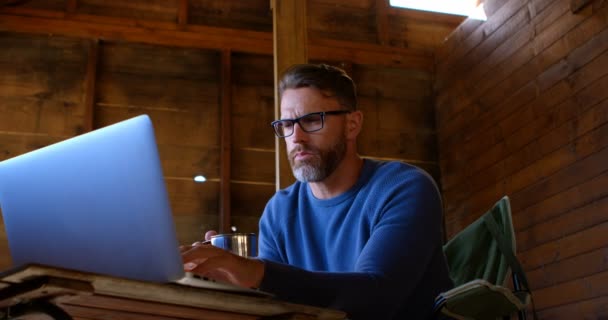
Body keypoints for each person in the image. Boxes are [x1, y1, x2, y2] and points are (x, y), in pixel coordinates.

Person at [181, 63, 453, 319]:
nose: (296, 138)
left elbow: (376, 297)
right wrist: (226, 279)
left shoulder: (403, 188)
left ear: (352, 124)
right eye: (287, 125)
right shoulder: (279, 210)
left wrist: (255, 273)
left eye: (311, 120)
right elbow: (273, 303)